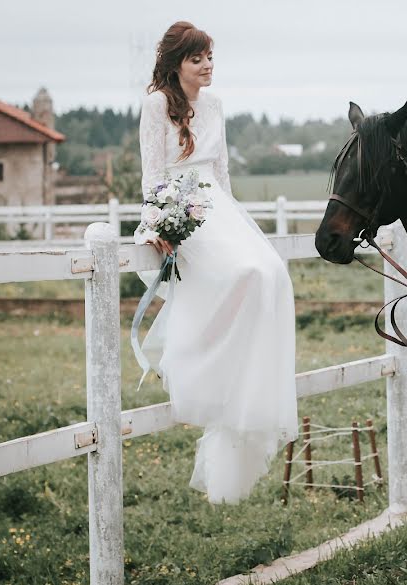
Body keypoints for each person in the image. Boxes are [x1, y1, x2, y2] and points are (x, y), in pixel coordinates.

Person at [134, 21, 298, 504]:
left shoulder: (216, 104)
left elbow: (221, 169)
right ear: (175, 63)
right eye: (197, 58)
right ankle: (203, 368)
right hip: (180, 203)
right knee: (242, 273)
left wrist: (234, 221)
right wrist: (160, 223)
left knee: (271, 271)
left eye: (210, 57)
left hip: (217, 206)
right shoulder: (156, 105)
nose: (207, 66)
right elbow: (153, 171)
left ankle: (248, 376)